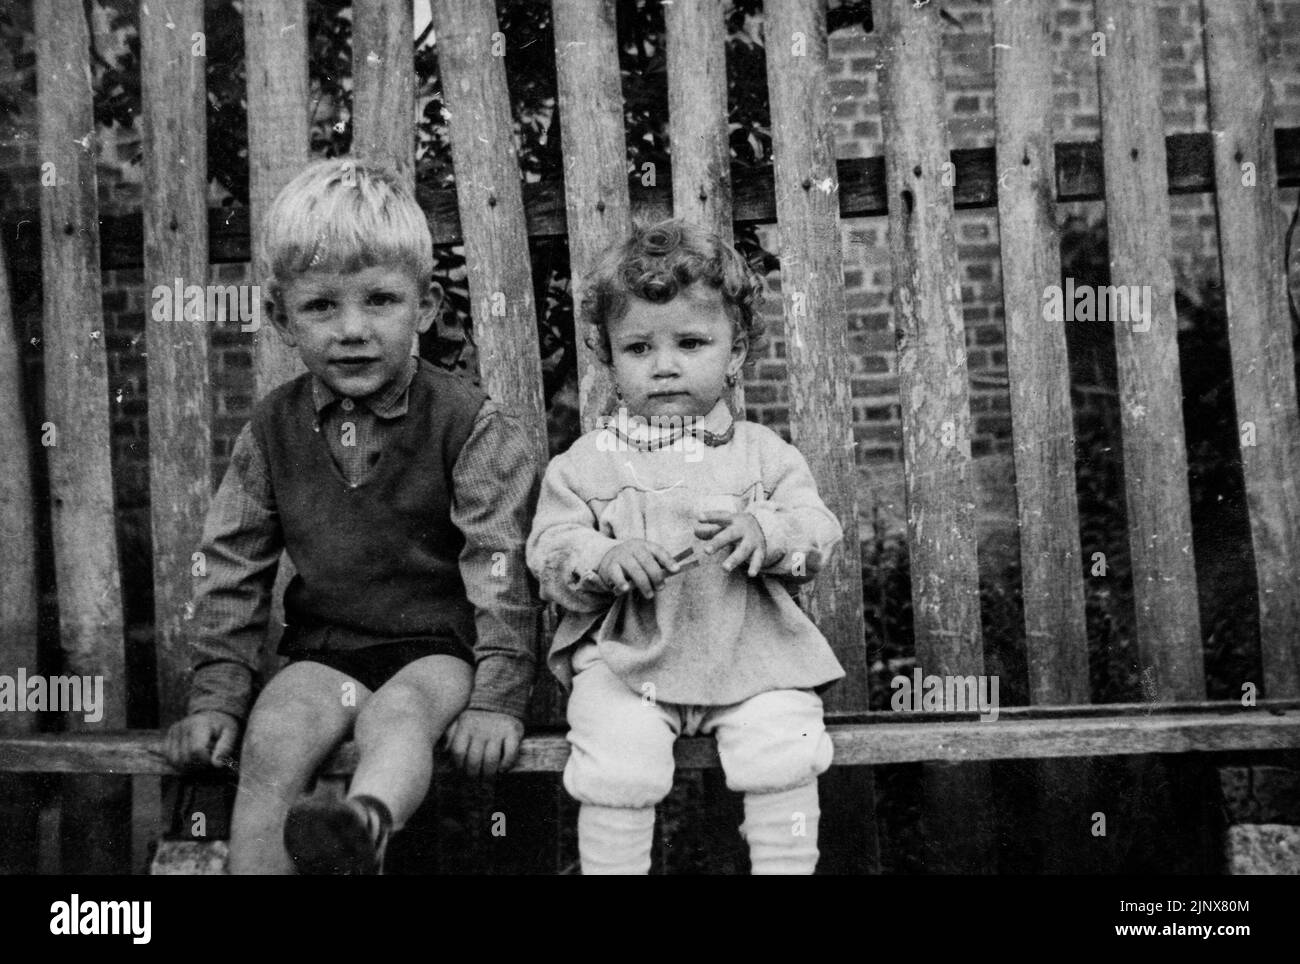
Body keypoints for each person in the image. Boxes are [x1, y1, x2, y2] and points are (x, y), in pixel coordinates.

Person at [163, 158, 541, 874]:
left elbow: (500, 568)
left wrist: (497, 699)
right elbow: (232, 567)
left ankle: (360, 828)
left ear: (424, 307)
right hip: (324, 649)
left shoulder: (467, 423)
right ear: (280, 318)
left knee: (395, 717)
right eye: (320, 307)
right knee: (272, 736)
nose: (352, 330)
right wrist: (216, 698)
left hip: (436, 648)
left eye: (380, 301)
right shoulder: (272, 430)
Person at [526, 219, 844, 874]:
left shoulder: (764, 455)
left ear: (735, 354)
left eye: (691, 343)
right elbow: (551, 549)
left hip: (752, 656)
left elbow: (816, 531)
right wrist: (602, 557)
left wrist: (771, 532)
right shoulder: (588, 464)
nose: (664, 365)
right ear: (610, 360)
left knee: (784, 738)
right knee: (616, 751)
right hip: (631, 658)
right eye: (638, 348)